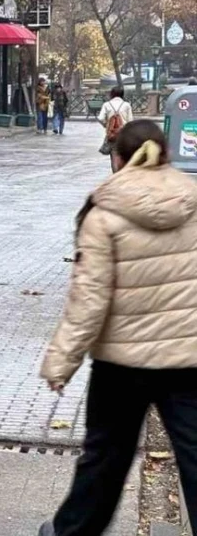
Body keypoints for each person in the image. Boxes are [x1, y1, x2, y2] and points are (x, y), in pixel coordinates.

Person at [38, 120, 197, 536]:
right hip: (188, 361)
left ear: (119, 158)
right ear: (165, 152)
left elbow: (89, 301)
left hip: (121, 365)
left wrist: (61, 363)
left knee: (104, 462)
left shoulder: (103, 213)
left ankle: (70, 533)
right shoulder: (193, 199)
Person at [98, 85, 134, 173]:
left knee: (113, 155)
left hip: (112, 134)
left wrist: (107, 125)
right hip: (124, 135)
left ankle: (115, 174)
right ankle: (122, 172)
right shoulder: (126, 105)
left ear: (112, 94)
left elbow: (100, 118)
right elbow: (130, 121)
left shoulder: (107, 105)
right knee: (123, 155)